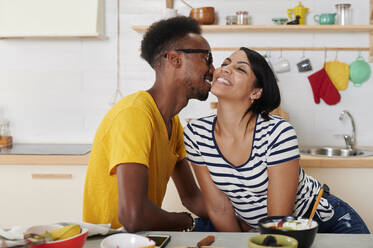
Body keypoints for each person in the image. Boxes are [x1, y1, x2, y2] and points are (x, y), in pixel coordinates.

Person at [183, 47, 370, 233]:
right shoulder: (196, 134)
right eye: (225, 63)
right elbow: (219, 208)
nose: (224, 68)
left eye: (240, 69)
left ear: (256, 92)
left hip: (324, 222)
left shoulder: (277, 132)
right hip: (265, 229)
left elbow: (278, 219)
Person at [83, 16, 214, 232]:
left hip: (140, 240)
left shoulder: (172, 122)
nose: (212, 69)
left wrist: (243, 222)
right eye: (207, 58)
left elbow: (192, 198)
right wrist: (187, 222)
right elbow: (133, 217)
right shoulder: (135, 114)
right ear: (175, 59)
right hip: (113, 241)